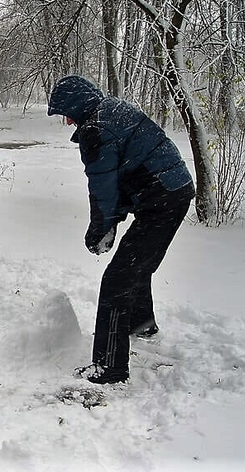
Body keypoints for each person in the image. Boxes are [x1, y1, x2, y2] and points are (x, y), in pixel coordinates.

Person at [47, 75, 195, 384]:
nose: (68, 121)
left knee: (117, 280)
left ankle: (109, 366)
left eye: (67, 113)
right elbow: (128, 170)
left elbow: (103, 189)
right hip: (174, 190)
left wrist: (100, 228)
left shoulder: (95, 131)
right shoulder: (113, 108)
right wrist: (112, 222)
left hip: (161, 199)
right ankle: (141, 326)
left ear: (77, 105)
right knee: (135, 266)